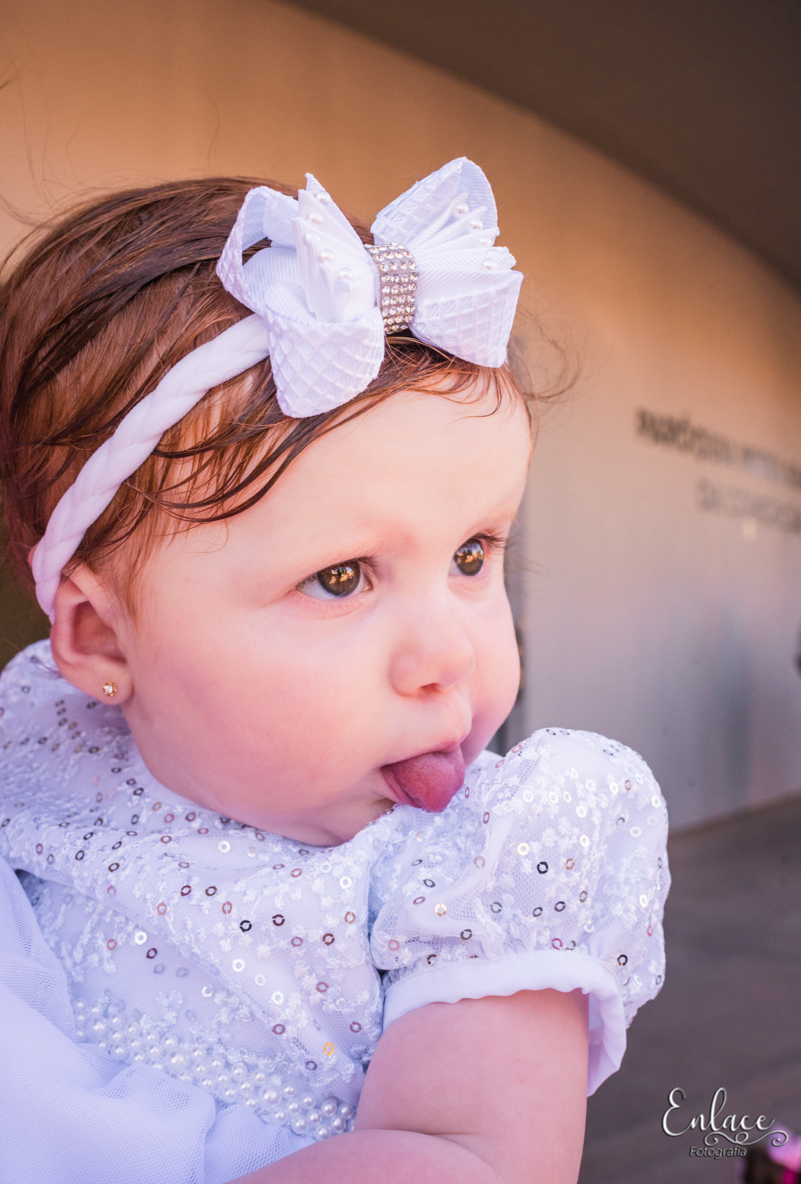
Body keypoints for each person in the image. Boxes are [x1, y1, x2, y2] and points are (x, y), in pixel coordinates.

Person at [0, 158, 669, 1184]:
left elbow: (464, 1163)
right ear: (100, 643)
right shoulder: (37, 752)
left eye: (472, 556)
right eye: (344, 577)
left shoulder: (484, 868)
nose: (450, 654)